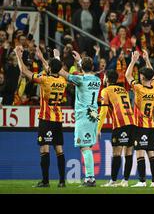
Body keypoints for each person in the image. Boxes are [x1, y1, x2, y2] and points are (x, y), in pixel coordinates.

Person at [15, 46, 67, 188]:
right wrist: (45, 58)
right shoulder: (63, 81)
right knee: (59, 149)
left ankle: (45, 181)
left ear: (50, 68)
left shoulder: (45, 80)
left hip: (46, 119)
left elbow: (24, 71)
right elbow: (55, 69)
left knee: (44, 149)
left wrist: (18, 55)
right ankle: (62, 181)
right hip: (58, 119)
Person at [56, 50, 102, 187]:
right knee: (87, 146)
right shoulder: (97, 80)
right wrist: (80, 62)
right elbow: (87, 73)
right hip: (94, 114)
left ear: (82, 68)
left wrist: (57, 57)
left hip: (85, 115)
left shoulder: (80, 79)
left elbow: (61, 72)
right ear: (93, 67)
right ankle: (90, 177)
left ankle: (90, 178)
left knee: (85, 147)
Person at [125, 50, 154, 187]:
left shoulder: (139, 88)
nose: (138, 77)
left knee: (139, 152)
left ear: (143, 78)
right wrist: (147, 60)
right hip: (151, 125)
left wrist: (133, 60)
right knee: (151, 153)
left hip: (139, 126)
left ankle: (142, 181)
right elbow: (153, 75)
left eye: (140, 75)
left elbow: (127, 75)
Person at [98, 69, 135, 187]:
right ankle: (125, 181)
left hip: (120, 124)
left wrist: (98, 128)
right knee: (128, 152)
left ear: (107, 79)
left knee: (116, 153)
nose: (103, 79)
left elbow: (103, 110)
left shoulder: (106, 90)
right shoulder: (123, 89)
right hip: (131, 122)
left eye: (104, 77)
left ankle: (113, 181)